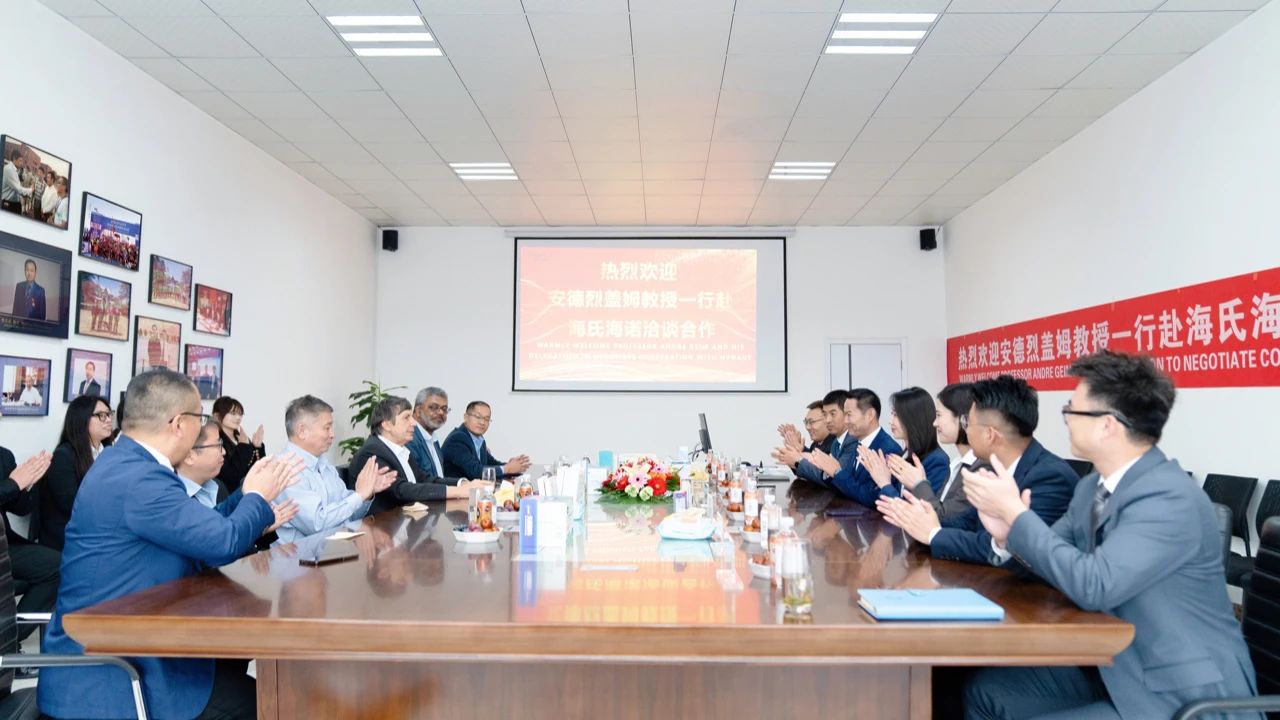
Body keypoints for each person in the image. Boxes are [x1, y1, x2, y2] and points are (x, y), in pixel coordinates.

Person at [963, 351, 1260, 719]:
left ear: (1107, 425)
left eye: (1072, 409)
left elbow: (1095, 585)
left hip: (1181, 692)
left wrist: (1017, 515)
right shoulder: (1092, 489)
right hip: (1116, 665)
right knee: (986, 692)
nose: (1066, 418)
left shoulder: (1169, 498)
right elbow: (1052, 556)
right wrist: (1009, 534)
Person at [38, 369, 303, 720]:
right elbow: (222, 541)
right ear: (179, 424)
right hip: (113, 673)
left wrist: (246, 494)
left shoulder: (129, 463)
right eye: (199, 418)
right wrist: (257, 497)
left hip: (138, 640)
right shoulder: (139, 478)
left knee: (247, 679)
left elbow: (198, 528)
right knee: (270, 703)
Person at [877, 375, 1077, 567]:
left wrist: (934, 534)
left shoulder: (1048, 477)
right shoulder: (997, 468)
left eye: (967, 423)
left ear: (990, 435)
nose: (966, 430)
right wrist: (921, 521)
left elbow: (1020, 554)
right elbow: (968, 522)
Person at [274, 394, 397, 544]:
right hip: (297, 556)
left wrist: (366, 493)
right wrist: (358, 496)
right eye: (327, 428)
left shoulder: (324, 465)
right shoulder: (285, 470)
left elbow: (349, 514)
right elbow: (317, 524)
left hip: (331, 550)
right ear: (302, 431)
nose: (332, 434)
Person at [350, 396, 482, 515]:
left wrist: (463, 483)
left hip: (406, 522)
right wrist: (459, 492)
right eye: (406, 417)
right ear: (386, 425)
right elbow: (402, 490)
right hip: (382, 528)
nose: (413, 423)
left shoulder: (400, 450)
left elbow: (423, 479)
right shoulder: (372, 452)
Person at [38, 395, 114, 551]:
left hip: (100, 528)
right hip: (70, 536)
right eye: (101, 415)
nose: (108, 420)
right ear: (82, 419)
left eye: (109, 414)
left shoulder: (109, 451)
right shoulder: (63, 456)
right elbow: (73, 506)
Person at [0, 441, 56, 647]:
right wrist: (13, 484)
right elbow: (9, 487)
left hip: (5, 547)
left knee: (57, 566)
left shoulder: (3, 456)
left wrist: (28, 484)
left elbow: (20, 508)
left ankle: (9, 640)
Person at [806, 388, 904, 506]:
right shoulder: (857, 443)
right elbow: (847, 486)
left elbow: (872, 499)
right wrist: (830, 470)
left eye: (849, 415)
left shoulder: (888, 450)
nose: (846, 421)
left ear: (869, 415)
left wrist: (837, 471)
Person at [864, 387, 950, 502]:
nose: (890, 421)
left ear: (914, 419)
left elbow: (918, 509)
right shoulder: (903, 454)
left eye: (896, 415)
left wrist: (885, 483)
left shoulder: (937, 461)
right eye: (892, 414)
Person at [914, 383, 977, 519]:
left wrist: (919, 483)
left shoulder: (980, 468)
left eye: (939, 415)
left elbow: (945, 518)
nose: (935, 423)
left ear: (963, 419)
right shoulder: (957, 463)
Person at [773, 390, 853, 484]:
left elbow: (825, 477)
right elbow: (809, 472)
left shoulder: (841, 442)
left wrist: (798, 458)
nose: (807, 427)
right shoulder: (823, 443)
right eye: (806, 422)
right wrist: (798, 453)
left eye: (812, 422)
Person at [440, 401, 531, 480]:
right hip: (456, 492)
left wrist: (513, 465)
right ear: (465, 417)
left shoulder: (478, 439)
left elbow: (491, 464)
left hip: (475, 490)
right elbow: (475, 471)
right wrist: (508, 468)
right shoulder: (458, 439)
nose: (482, 422)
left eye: (486, 419)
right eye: (478, 417)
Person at [211, 396, 265, 495]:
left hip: (247, 492)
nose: (238, 417)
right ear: (217, 415)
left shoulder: (241, 438)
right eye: (233, 413)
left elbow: (256, 469)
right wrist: (243, 447)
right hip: (227, 495)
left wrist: (257, 447)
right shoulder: (215, 440)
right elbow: (231, 476)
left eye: (240, 414)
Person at [406, 386, 460, 484]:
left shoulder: (433, 439)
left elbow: (438, 477)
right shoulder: (410, 438)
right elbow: (419, 481)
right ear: (418, 411)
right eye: (434, 408)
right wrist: (460, 484)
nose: (441, 412)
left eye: (444, 409)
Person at [1, 145, 33, 214]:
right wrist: (31, 190)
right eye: (20, 161)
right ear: (14, 159)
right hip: (9, 204)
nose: (22, 163)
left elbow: (20, 181)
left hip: (14, 203)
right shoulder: (9, 169)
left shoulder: (15, 170)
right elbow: (18, 188)